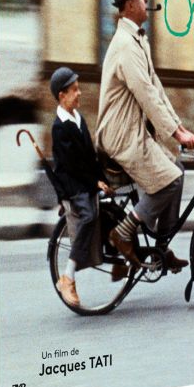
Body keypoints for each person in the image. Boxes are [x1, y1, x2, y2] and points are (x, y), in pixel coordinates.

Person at [95, 0, 194, 270]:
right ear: (129, 5)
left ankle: (160, 250)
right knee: (171, 180)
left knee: (177, 170)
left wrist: (180, 129)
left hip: (133, 132)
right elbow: (146, 95)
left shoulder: (138, 40)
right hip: (121, 136)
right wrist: (176, 135)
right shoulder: (126, 45)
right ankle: (123, 232)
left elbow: (156, 89)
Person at [50, 67, 114, 306]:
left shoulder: (78, 118)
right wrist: (93, 182)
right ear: (62, 96)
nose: (79, 93)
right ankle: (68, 277)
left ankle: (120, 258)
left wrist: (102, 180)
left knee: (111, 208)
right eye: (74, 90)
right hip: (73, 184)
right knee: (88, 216)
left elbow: (89, 157)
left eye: (78, 89)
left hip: (85, 179)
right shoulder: (60, 126)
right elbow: (72, 165)